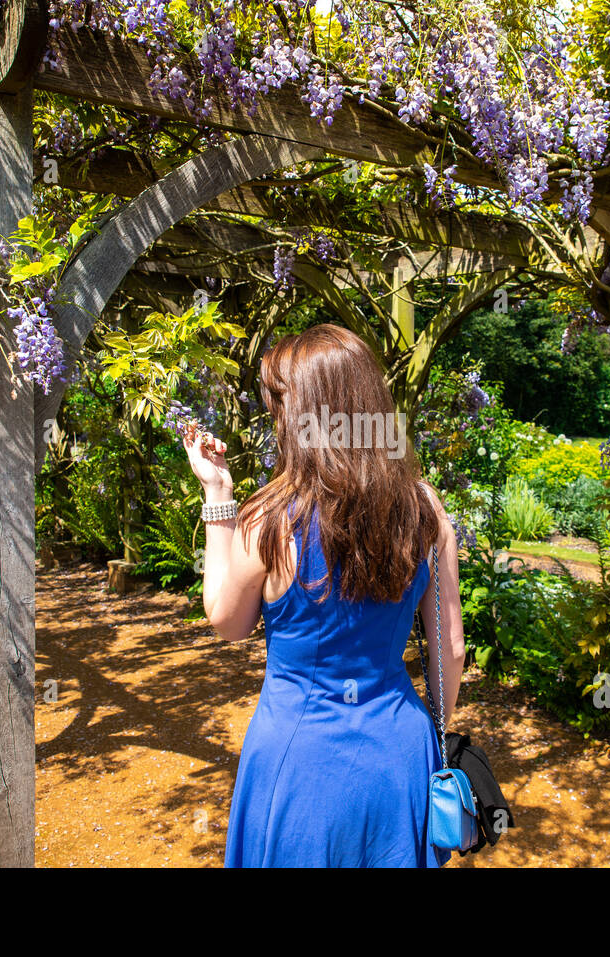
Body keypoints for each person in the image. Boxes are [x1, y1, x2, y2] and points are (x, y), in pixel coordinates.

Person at [183, 323, 465, 868]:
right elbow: (449, 651)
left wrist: (217, 495)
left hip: (298, 765)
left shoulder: (269, 519)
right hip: (399, 757)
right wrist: (435, 734)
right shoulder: (426, 509)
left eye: (278, 403)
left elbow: (226, 620)